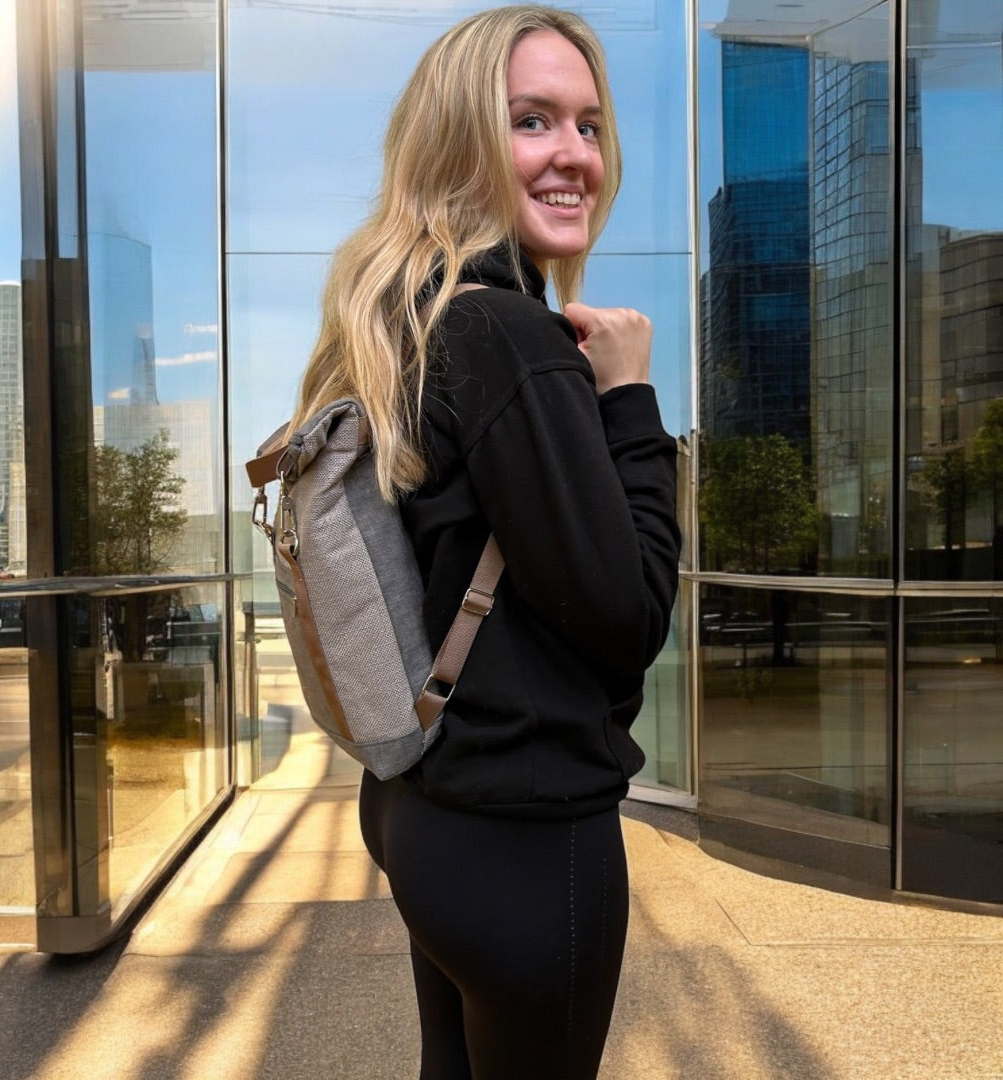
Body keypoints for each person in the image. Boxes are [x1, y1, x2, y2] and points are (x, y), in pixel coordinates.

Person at [291, 6, 681, 1078]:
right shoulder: (506, 333)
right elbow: (628, 619)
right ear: (461, 142)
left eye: (590, 125)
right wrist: (633, 399)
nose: (575, 155)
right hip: (525, 843)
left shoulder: (410, 324)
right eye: (533, 121)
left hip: (427, 812)